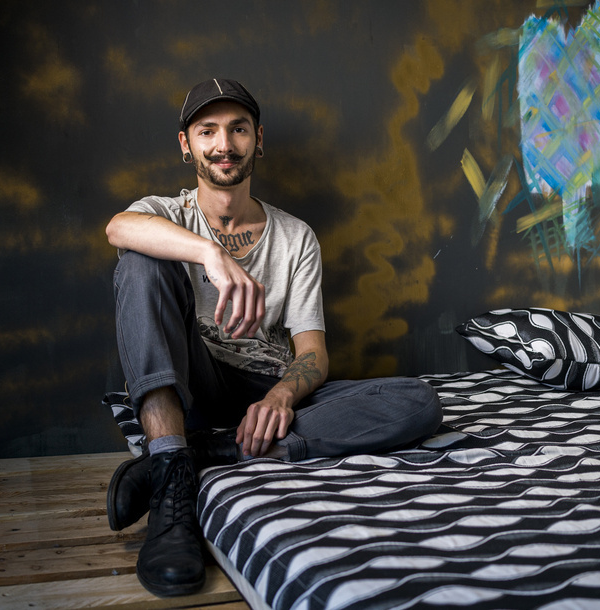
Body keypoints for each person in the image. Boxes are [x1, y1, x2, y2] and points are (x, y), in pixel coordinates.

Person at [104, 78, 442, 597]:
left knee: (415, 402)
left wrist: (283, 395)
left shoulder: (295, 236)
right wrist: (210, 255)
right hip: (192, 375)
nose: (224, 144)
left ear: (258, 139)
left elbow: (312, 353)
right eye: (207, 131)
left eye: (238, 130)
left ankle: (205, 452)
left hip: (263, 385)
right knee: (140, 265)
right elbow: (117, 229)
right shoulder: (167, 214)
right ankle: (172, 486)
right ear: (185, 144)